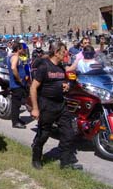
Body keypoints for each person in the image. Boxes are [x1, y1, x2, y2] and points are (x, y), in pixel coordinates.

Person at [30, 42, 83, 170]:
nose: (65, 54)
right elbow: (33, 88)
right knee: (43, 134)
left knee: (68, 133)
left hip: (61, 104)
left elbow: (60, 82)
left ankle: (65, 162)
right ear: (56, 52)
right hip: (47, 105)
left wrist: (65, 85)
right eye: (63, 51)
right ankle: (36, 158)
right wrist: (35, 108)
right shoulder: (44, 67)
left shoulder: (60, 67)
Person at [7, 42, 27, 129]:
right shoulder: (15, 57)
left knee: (17, 103)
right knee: (16, 103)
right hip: (16, 84)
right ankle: (15, 122)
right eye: (22, 48)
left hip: (17, 84)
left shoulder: (12, 56)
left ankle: (17, 119)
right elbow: (13, 67)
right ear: (18, 49)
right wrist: (19, 79)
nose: (23, 50)